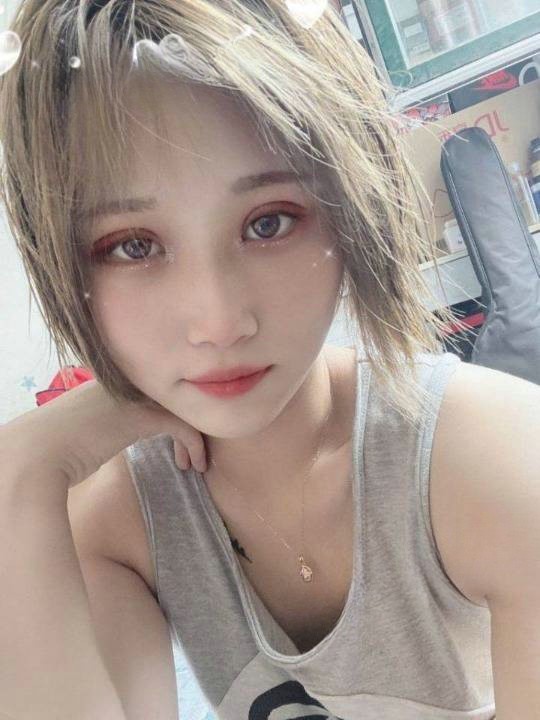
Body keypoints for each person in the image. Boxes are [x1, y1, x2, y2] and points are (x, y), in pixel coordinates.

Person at [0, 2, 539, 719]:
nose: (219, 322)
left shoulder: (490, 456)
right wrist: (20, 473)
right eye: (133, 245)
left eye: (268, 222)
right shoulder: (123, 519)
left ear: (348, 213)